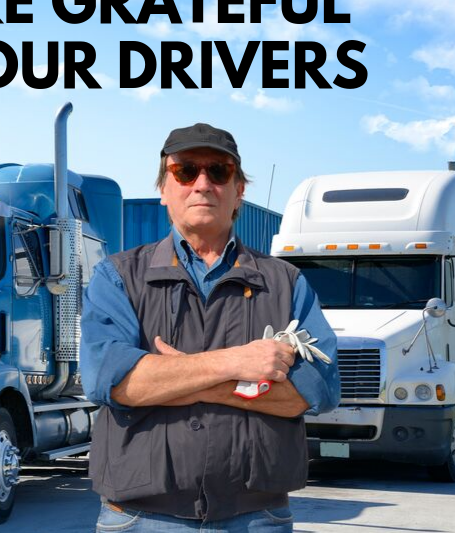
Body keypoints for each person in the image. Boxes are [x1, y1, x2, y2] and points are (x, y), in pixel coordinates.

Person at [80, 123, 340, 532]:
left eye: (219, 171)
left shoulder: (285, 281)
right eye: (185, 171)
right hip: (139, 518)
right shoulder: (117, 277)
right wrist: (239, 362)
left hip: (257, 517)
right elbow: (115, 384)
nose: (202, 184)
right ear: (164, 188)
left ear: (239, 190)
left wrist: (175, 378)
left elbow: (313, 392)